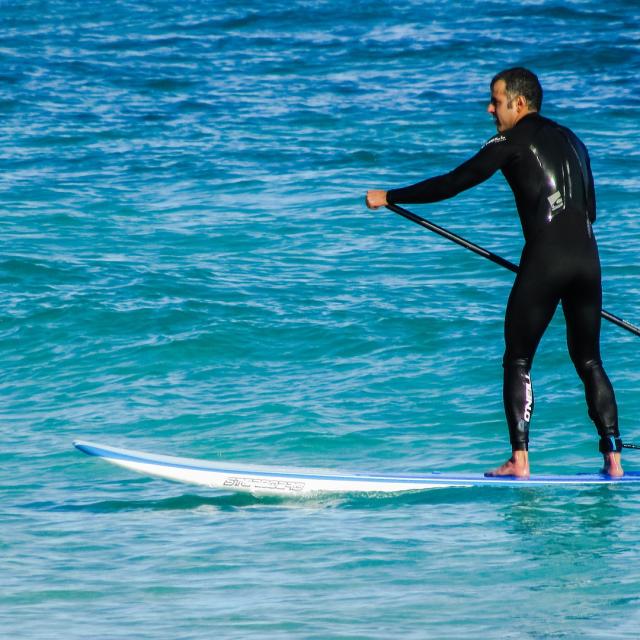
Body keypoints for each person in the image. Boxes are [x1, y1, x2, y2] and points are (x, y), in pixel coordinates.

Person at [366, 67, 623, 478]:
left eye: (496, 100)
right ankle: (614, 460)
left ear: (519, 103)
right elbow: (590, 209)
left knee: (518, 358)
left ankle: (519, 459)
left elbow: (456, 181)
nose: (490, 109)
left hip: (547, 258)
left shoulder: (512, 139)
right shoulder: (574, 140)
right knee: (589, 359)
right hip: (589, 260)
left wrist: (391, 196)